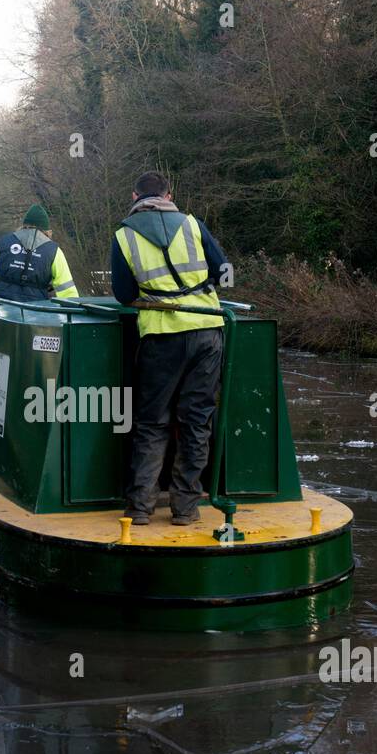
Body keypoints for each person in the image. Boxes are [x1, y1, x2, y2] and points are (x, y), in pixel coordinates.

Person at [110, 171, 229, 526]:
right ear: (169, 194)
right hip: (207, 330)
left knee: (151, 423)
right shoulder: (192, 224)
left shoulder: (124, 235)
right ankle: (186, 508)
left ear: (134, 196)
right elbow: (224, 271)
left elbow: (123, 295)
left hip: (161, 335)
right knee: (195, 421)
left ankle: (140, 508)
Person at [0, 204, 78, 302]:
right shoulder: (54, 251)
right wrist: (75, 312)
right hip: (34, 311)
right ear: (47, 231)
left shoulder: (4, 243)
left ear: (24, 225)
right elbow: (66, 289)